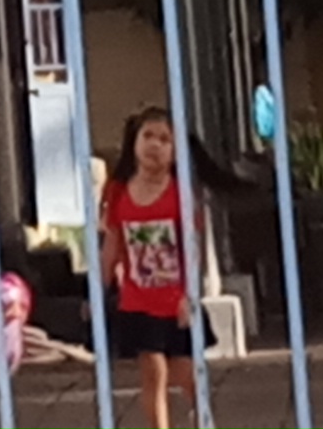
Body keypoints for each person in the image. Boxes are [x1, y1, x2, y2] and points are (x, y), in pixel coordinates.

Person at [97, 109, 196, 429]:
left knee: (186, 373)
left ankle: (202, 414)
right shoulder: (118, 192)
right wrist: (99, 287)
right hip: (138, 300)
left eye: (165, 139)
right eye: (148, 136)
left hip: (176, 300)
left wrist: (190, 295)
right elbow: (112, 243)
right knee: (153, 371)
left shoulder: (182, 193)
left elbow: (194, 248)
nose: (155, 145)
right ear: (134, 142)